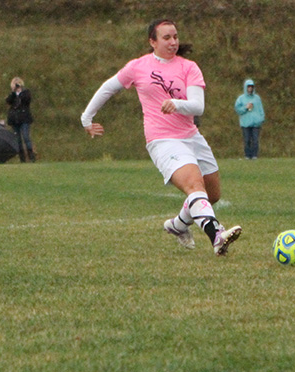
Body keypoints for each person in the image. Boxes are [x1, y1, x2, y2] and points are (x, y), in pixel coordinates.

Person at [81, 18, 242, 256]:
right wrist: (87, 118)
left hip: (191, 136)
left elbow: (198, 106)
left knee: (212, 195)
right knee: (194, 185)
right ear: (152, 41)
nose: (173, 42)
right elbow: (109, 87)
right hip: (162, 140)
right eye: (166, 37)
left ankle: (177, 226)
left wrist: (176, 104)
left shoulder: (189, 67)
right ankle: (216, 234)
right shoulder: (138, 67)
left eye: (175, 37)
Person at [6, 77, 35, 162]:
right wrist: (14, 93)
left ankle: (31, 156)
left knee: (26, 137)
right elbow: (8, 101)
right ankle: (22, 158)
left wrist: (20, 92)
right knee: (18, 139)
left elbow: (27, 100)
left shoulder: (26, 93)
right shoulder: (12, 95)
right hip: (15, 119)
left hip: (24, 119)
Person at [234, 79, 265, 159]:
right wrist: (245, 108)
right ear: (246, 87)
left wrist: (261, 118)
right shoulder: (241, 99)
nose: (250, 88)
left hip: (256, 123)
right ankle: (247, 155)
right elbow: (238, 110)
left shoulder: (257, 98)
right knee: (247, 140)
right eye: (248, 87)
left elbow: (261, 109)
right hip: (245, 122)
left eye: (251, 87)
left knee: (255, 140)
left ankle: (254, 155)